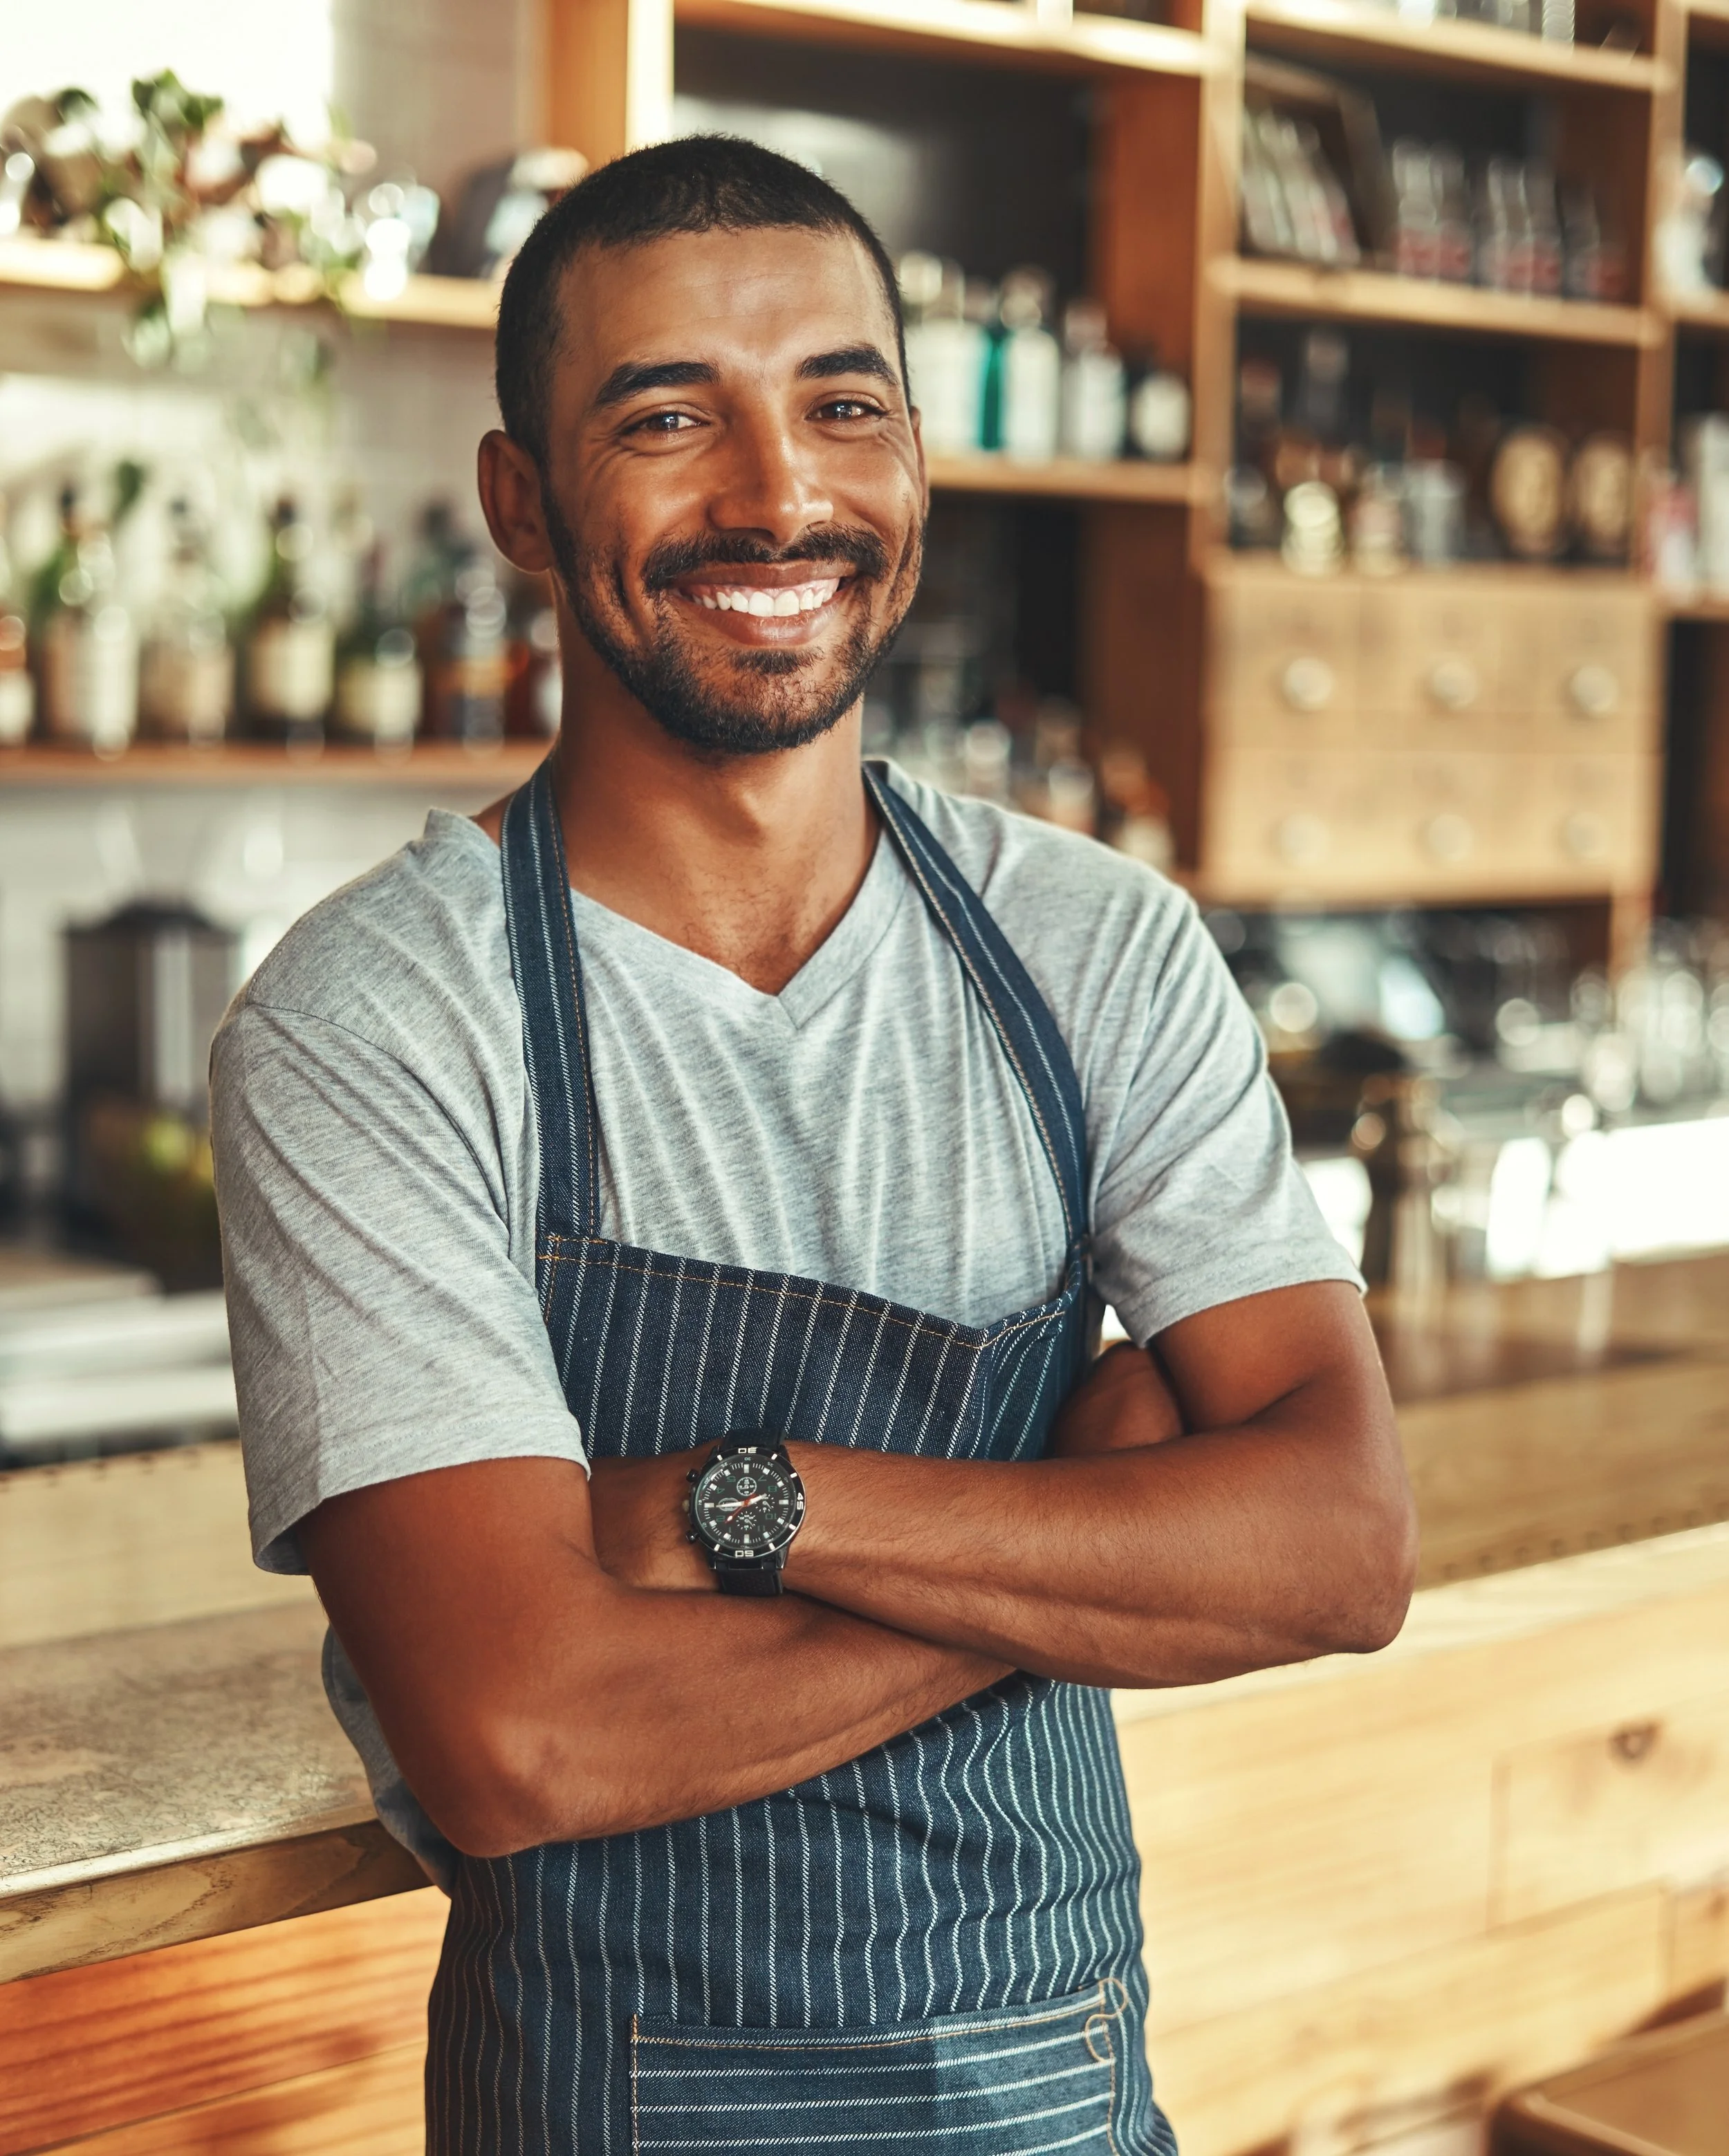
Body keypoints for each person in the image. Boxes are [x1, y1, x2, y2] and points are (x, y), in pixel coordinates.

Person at [211, 136, 1416, 2156]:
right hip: (614, 2111)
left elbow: (1340, 1544)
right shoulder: (377, 1022)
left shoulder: (1090, 945)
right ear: (520, 497)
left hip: (1065, 2094)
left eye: (841, 404)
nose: (777, 494)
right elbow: (524, 1729)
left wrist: (744, 1501)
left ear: (918, 467)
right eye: (668, 416)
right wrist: (1070, 1523)